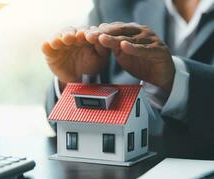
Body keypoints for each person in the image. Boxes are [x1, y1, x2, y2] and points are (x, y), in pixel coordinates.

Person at [42, 0, 214, 137]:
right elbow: (65, 129)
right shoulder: (112, 4)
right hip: (126, 173)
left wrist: (174, 79)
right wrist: (76, 82)